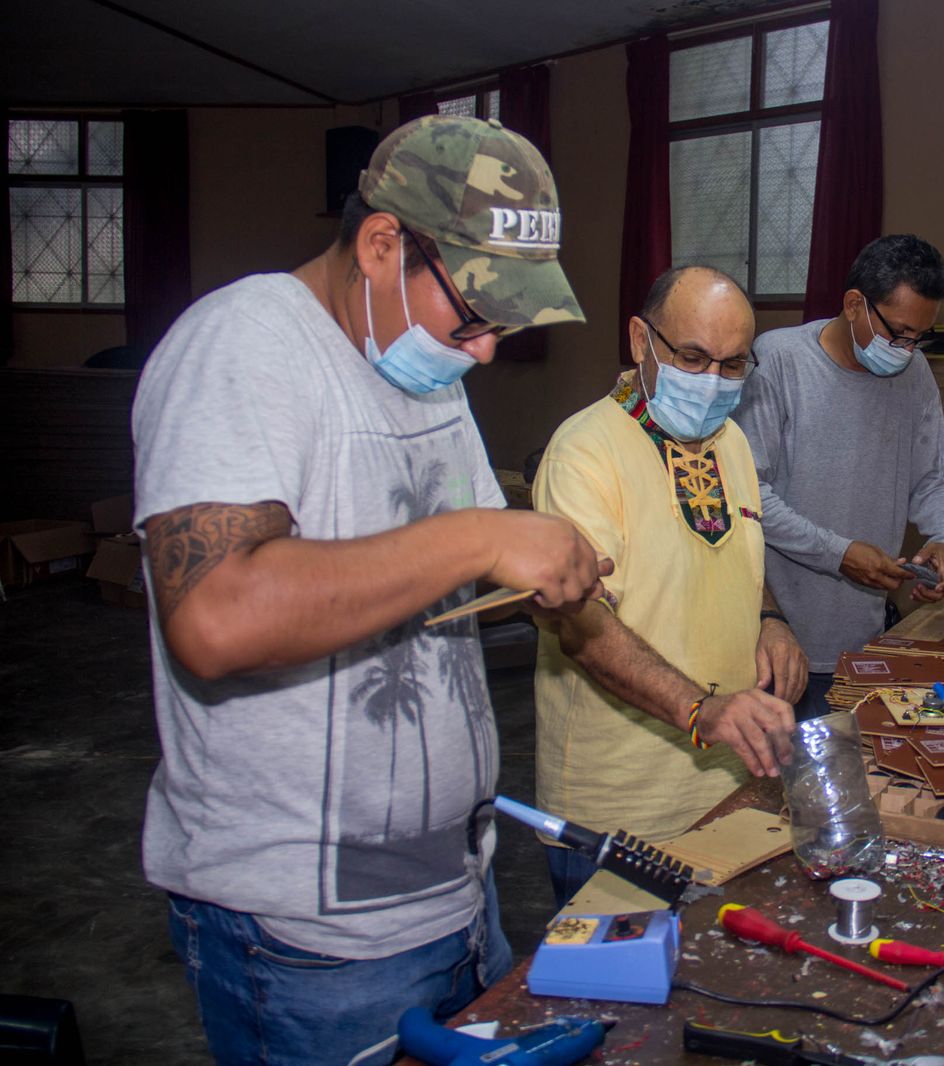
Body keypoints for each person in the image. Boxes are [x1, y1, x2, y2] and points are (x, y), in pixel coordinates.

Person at [131, 115, 608, 1066]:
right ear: (381, 244)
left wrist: (539, 567)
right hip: (310, 939)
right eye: (472, 316)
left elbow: (440, 567)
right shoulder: (243, 345)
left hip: (453, 896)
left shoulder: (423, 374)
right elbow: (216, 616)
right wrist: (483, 534)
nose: (482, 352)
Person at [529, 265, 805, 904]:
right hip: (619, 810)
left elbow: (736, 556)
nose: (711, 381)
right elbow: (583, 627)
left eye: (733, 365)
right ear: (639, 339)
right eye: (692, 356)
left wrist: (771, 619)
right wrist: (698, 709)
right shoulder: (583, 453)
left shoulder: (730, 441)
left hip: (726, 789)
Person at [734, 235, 944, 720]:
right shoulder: (779, 361)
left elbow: (932, 479)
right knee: (779, 786)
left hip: (867, 640)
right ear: (855, 304)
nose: (907, 349)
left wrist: (943, 541)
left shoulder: (915, 374)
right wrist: (838, 554)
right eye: (899, 333)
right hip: (778, 642)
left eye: (920, 337)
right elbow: (748, 496)